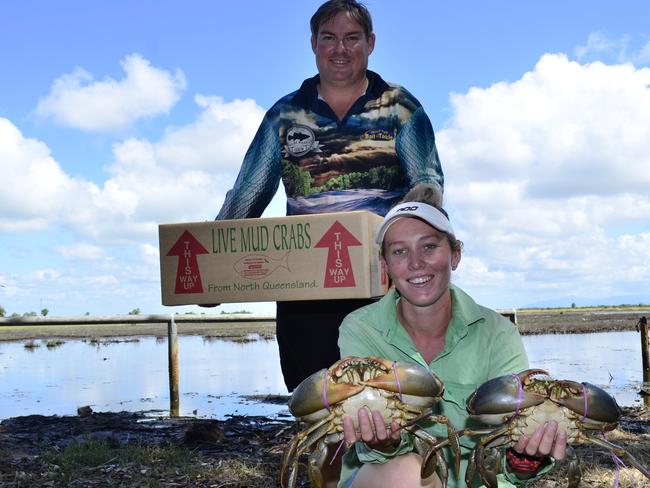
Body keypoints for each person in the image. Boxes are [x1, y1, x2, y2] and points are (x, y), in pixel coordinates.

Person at [215, 0, 443, 394]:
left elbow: (427, 186)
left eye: (352, 38)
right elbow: (250, 192)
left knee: (390, 403)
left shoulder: (402, 109)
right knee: (316, 402)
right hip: (304, 292)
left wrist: (411, 258)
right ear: (313, 44)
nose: (341, 49)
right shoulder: (284, 115)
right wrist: (213, 263)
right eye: (330, 38)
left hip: (383, 288)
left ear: (370, 43)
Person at [337, 184, 568, 488]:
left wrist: (526, 459)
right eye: (399, 251)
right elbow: (369, 449)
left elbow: (508, 463)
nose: (416, 263)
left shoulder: (497, 333)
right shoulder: (360, 329)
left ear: (455, 255)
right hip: (386, 476)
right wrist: (385, 443)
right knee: (405, 473)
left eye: (429, 246)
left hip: (475, 482)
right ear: (385, 267)